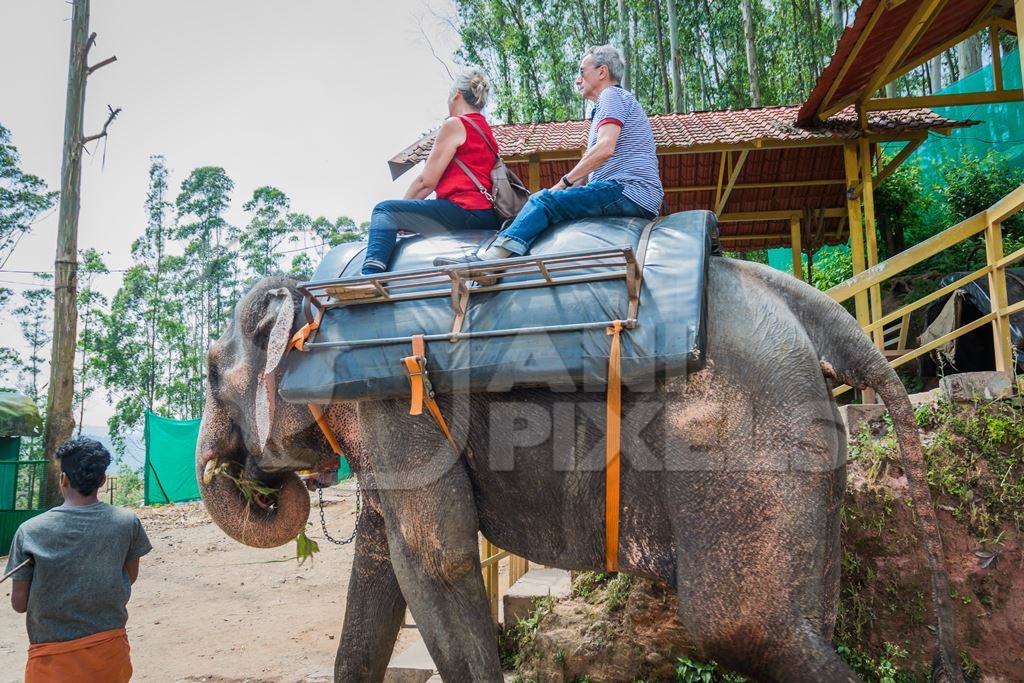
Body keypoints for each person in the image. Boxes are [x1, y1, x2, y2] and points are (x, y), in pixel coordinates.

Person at [436, 44, 663, 266]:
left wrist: (560, 186)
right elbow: (589, 168)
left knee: (542, 200)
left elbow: (605, 148)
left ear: (602, 72)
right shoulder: (612, 105)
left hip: (628, 190)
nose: (577, 80)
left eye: (582, 72)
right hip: (631, 192)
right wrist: (560, 193)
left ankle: (489, 260)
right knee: (546, 201)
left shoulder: (611, 96)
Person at [6, 437, 152, 683]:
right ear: (102, 481)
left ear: (63, 479)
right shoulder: (127, 522)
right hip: (110, 656)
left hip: (51, 663)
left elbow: (20, 604)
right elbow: (130, 576)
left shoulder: (30, 531)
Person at [359, 66, 503, 275]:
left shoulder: (455, 124)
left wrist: (400, 217)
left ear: (457, 95)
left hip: (464, 210)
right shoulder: (486, 131)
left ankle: (370, 277)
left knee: (385, 211)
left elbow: (425, 183)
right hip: (488, 215)